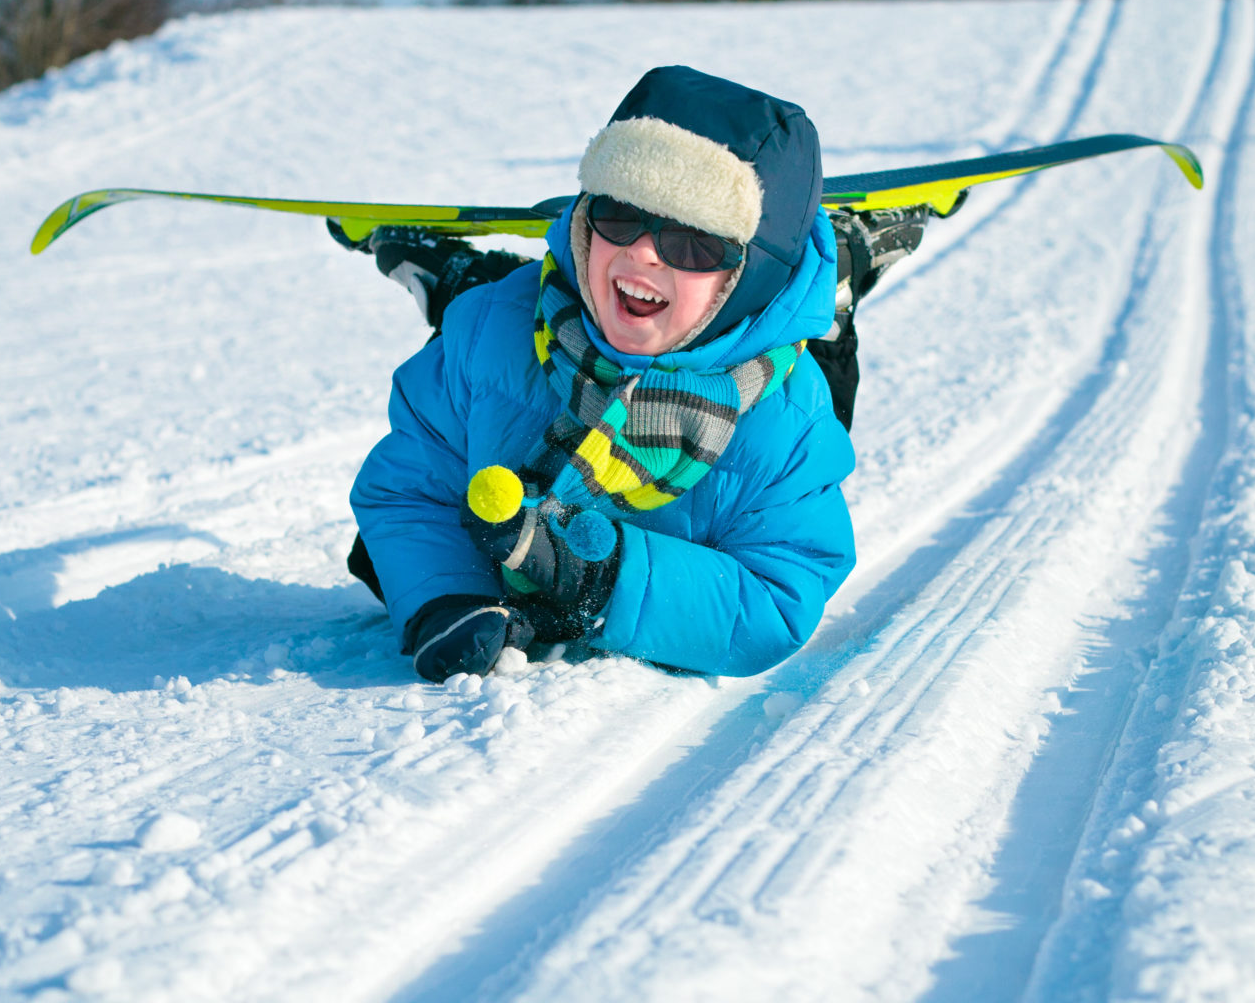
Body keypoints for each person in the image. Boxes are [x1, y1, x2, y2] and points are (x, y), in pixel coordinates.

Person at [346, 65, 875, 683]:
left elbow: (777, 595)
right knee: (385, 559)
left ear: (744, 276)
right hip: (515, 323)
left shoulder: (791, 420)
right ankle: (457, 275)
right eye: (620, 216)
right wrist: (448, 601)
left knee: (821, 379)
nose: (644, 251)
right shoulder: (487, 333)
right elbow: (406, 492)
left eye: (694, 244)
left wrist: (604, 579)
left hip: (749, 390)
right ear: (583, 218)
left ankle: (844, 273)